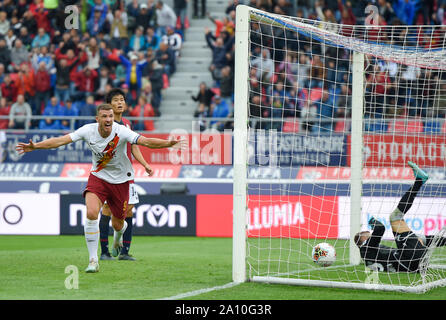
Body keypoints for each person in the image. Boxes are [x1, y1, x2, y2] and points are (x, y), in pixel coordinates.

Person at [16, 104, 185, 273]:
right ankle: (93, 260)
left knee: (118, 224)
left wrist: (168, 143)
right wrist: (36, 146)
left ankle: (118, 236)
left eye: (110, 116)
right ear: (97, 119)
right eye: (104, 116)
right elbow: (61, 141)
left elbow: (146, 141)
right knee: (91, 213)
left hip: (120, 182)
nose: (108, 119)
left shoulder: (122, 131)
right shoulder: (87, 131)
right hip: (98, 178)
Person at [355, 161, 446, 273]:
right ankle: (419, 181)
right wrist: (373, 221)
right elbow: (380, 228)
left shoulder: (368, 258)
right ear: (363, 239)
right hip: (411, 258)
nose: (369, 233)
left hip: (413, 265)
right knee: (395, 217)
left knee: (416, 237)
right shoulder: (366, 247)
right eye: (366, 233)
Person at [99, 88, 154, 261]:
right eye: (116, 100)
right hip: (108, 174)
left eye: (122, 99)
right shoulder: (105, 125)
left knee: (129, 211)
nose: (120, 102)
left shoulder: (127, 124)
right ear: (109, 105)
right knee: (107, 209)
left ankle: (124, 252)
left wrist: (145, 164)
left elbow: (134, 147)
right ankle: (104, 252)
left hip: (127, 174)